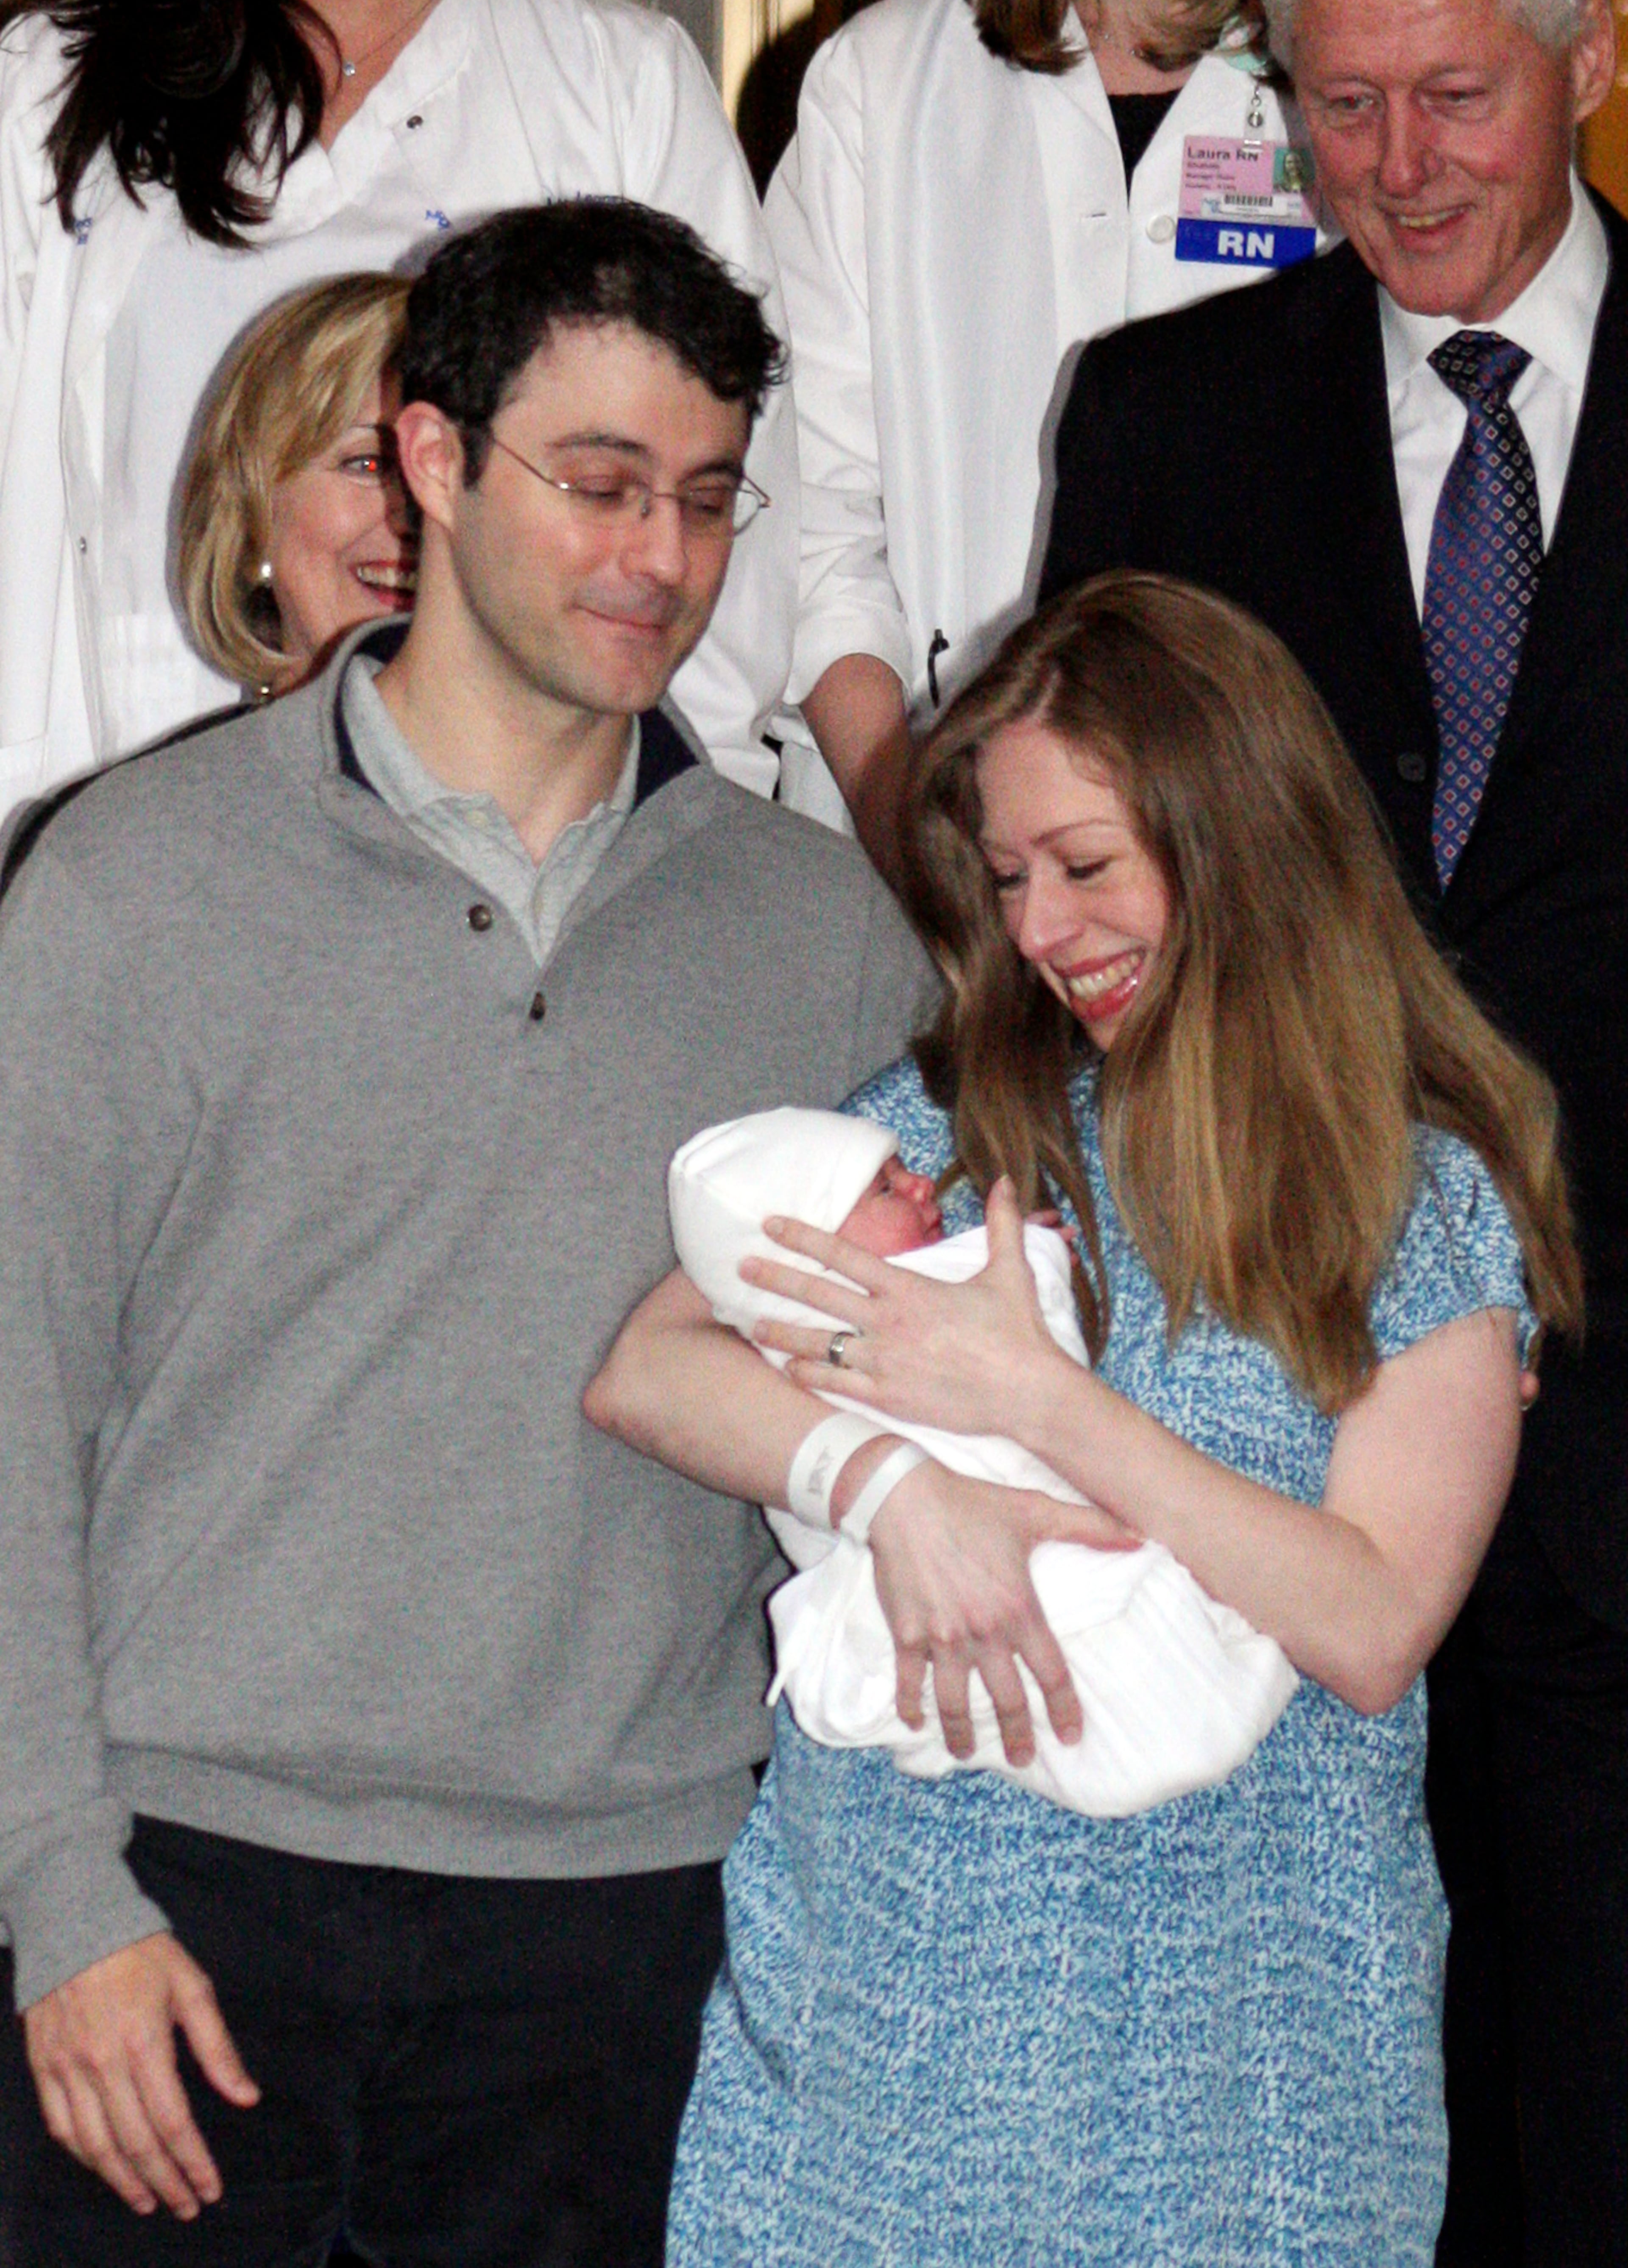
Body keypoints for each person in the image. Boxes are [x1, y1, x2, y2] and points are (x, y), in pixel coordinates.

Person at [0, 198, 928, 2267]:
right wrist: (59, 1891)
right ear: (428, 459)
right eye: (595, 482)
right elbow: (7, 1410)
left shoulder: (825, 939)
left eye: (701, 498)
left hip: (628, 1932)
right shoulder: (133, 885)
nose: (657, 559)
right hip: (193, 1892)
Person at [588, 573, 1576, 2266]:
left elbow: (1370, 1617)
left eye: (1087, 863)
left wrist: (1036, 1399)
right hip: (888, 2038)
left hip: (1251, 2071)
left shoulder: (1419, 1195)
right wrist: (888, 1478)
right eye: (1010, 873)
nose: (1041, 927)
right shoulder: (955, 1123)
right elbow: (655, 1365)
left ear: (1242, 827)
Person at [1039, 0, 1628, 2268]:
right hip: (1277, 1402)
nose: (1392, 169)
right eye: (1340, 106)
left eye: (1453, 98)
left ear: (1587, 60)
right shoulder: (1166, 413)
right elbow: (1086, 888)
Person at [0, 0, 797, 825]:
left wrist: (635, 848)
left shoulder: (609, 87)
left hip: (502, 852)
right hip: (122, 835)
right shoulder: (51, 86)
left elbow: (727, 511)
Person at [767, 0, 1323, 865]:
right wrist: (905, 813)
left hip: (1255, 842)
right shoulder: (879, 83)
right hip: (917, 818)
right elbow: (812, 509)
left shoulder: (1336, 82)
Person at [669, 1102, 1296, 1814]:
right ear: (802, 1261)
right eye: (884, 1188)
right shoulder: (772, 1354)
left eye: (904, 1170)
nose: (922, 1188)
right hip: (931, 1593)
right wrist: (1024, 1260)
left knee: (1133, 1665)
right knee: (1108, 1660)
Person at [178, 271, 414, 698]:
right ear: (254, 507)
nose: (412, 512)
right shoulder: (190, 768)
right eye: (369, 463)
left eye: (443, 468)